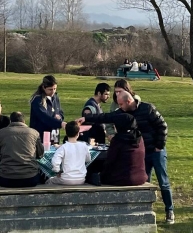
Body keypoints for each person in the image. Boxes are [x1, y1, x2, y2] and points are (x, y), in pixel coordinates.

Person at [79, 91, 173, 224]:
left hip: (155, 150)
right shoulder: (122, 112)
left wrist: (159, 145)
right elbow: (107, 116)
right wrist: (87, 118)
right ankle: (144, 211)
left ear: (128, 101)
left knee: (163, 181)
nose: (120, 107)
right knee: (144, 180)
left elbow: (162, 126)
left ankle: (169, 210)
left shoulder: (148, 109)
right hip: (141, 151)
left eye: (121, 104)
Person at [0, 112, 44, 188]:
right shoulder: (34, 133)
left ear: (10, 121)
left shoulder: (1, 133)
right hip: (31, 178)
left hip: (7, 178)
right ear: (24, 121)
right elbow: (40, 154)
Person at [98, 113, 148, 186]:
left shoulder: (118, 140)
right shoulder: (139, 137)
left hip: (122, 179)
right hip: (141, 177)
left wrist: (101, 175)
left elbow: (110, 160)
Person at [46, 121, 92, 185]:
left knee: (49, 181)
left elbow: (55, 162)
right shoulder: (84, 146)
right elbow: (88, 159)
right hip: (81, 179)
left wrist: (57, 171)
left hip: (66, 179)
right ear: (78, 133)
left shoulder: (63, 147)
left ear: (66, 133)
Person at [29, 75, 66, 141]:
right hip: (41, 136)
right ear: (44, 87)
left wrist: (60, 117)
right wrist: (60, 123)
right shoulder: (37, 100)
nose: (53, 91)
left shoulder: (55, 97)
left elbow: (60, 111)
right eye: (50, 89)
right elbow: (44, 117)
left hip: (54, 136)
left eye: (55, 89)